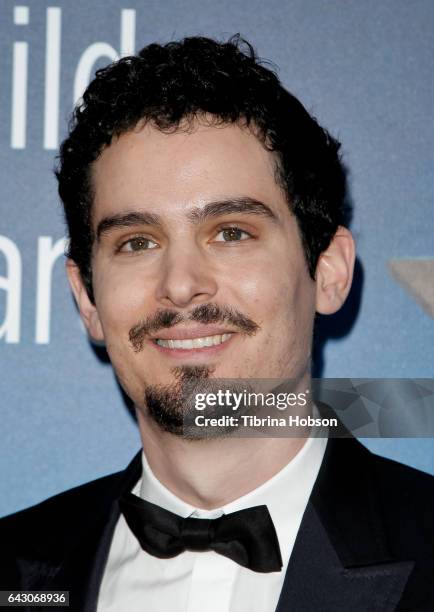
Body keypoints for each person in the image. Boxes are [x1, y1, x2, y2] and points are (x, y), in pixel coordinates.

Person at [1, 35, 433, 612]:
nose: (181, 283)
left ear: (327, 270)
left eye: (231, 232)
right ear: (86, 298)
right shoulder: (14, 570)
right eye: (137, 242)